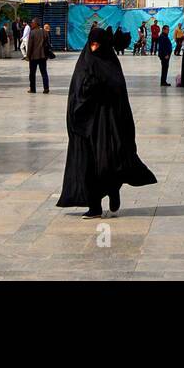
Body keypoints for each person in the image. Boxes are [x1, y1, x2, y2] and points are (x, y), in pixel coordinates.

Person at [56, 27, 157, 219]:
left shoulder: (110, 62)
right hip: (87, 125)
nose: (94, 48)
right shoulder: (84, 62)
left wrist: (99, 86)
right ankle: (94, 207)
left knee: (108, 163)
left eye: (98, 44)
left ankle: (113, 189)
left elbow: (118, 89)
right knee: (88, 165)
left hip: (109, 123)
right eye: (91, 44)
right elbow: (77, 92)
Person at [27, 19, 53, 93]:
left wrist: (28, 56)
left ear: (36, 24)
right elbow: (48, 45)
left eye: (32, 23)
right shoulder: (45, 32)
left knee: (32, 73)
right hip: (43, 56)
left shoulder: (32, 33)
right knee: (44, 73)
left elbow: (30, 46)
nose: (31, 24)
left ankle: (32, 89)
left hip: (33, 57)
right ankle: (46, 88)